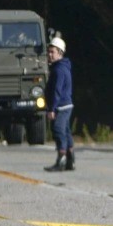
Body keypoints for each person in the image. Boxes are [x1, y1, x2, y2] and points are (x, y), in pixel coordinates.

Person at [44, 36, 75, 171]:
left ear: (60, 53)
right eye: (49, 52)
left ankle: (61, 161)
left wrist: (52, 108)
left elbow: (56, 90)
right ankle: (70, 160)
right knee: (66, 132)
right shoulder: (61, 67)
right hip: (66, 105)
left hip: (61, 106)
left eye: (53, 52)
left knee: (58, 130)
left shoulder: (59, 70)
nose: (49, 55)